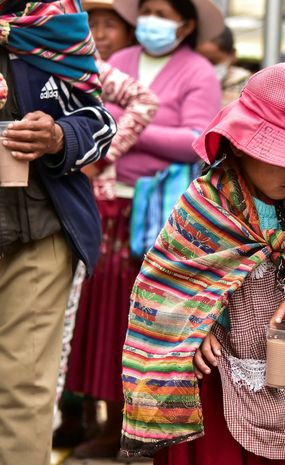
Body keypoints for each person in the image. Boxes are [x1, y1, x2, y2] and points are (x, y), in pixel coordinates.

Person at [117, 61, 285, 465]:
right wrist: (196, 327)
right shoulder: (203, 207)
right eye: (284, 156)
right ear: (244, 143)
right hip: (214, 379)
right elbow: (163, 288)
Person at [63, 0, 223, 457]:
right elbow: (89, 114)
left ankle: (140, 430)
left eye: (163, 12)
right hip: (107, 207)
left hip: (160, 220)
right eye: (147, 9)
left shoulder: (198, 72)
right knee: (100, 316)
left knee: (146, 322)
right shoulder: (121, 63)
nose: (151, 18)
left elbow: (197, 141)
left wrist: (122, 127)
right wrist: (138, 126)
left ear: (187, 24)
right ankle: (104, 421)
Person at [0, 1, 116, 464]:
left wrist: (59, 137)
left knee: (24, 386)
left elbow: (100, 121)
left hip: (40, 228)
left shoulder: (56, 23)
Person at [53, 0, 159, 452]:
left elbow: (145, 101)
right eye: (90, 22)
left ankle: (112, 426)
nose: (98, 31)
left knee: (98, 317)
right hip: (49, 203)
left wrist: (100, 153)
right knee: (67, 323)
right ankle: (74, 418)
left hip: (95, 206)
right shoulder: (36, 59)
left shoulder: (88, 66)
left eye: (106, 24)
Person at [197, 26, 252, 106]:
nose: (207, 67)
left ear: (232, 55)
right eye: (203, 61)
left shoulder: (245, 85)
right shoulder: (188, 80)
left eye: (213, 62)